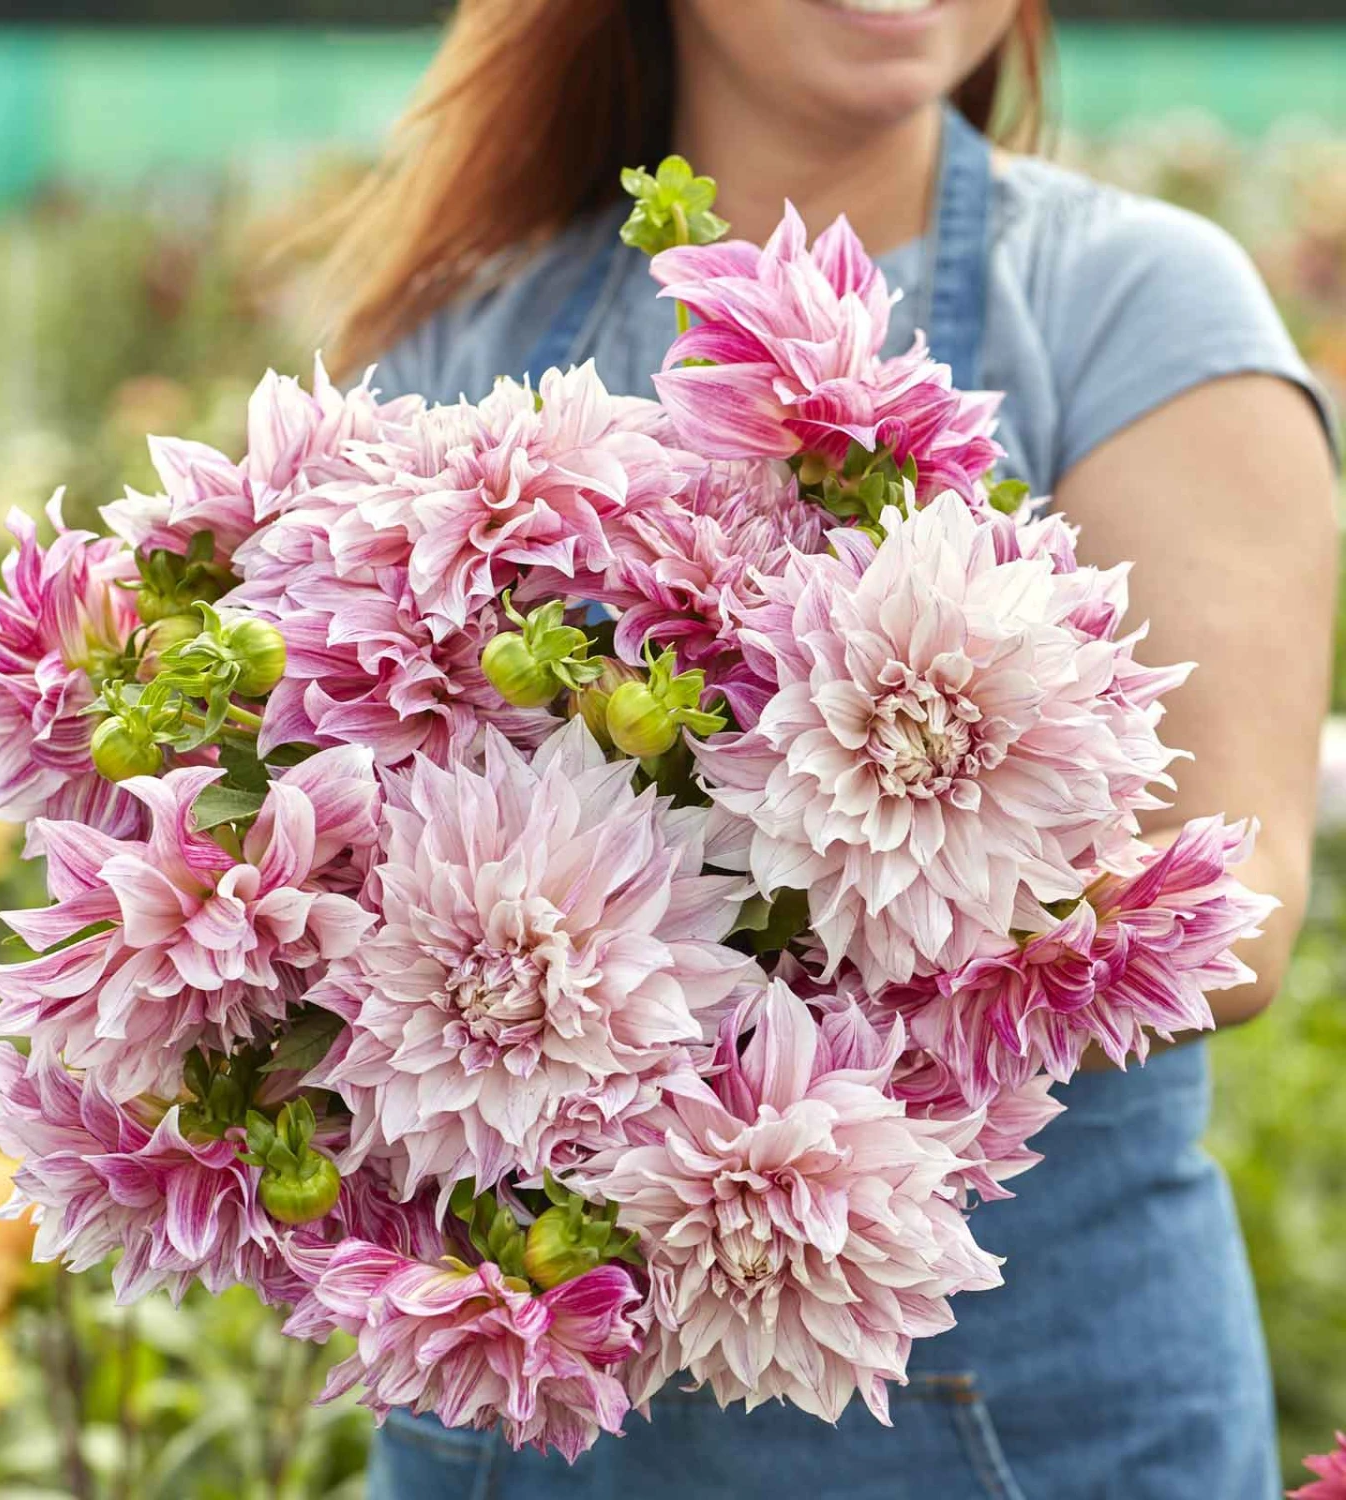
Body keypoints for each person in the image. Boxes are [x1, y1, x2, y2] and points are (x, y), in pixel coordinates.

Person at [319, 3, 1340, 1496]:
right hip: (520, 1436)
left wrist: (554, 978)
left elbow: (1216, 926)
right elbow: (309, 842)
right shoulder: (454, 338)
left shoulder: (1134, 299)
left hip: (1022, 1429)